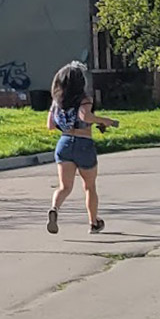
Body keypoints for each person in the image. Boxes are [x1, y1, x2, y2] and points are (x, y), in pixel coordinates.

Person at [45, 61, 118, 234]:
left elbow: (50, 125)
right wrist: (105, 121)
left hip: (64, 144)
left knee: (64, 187)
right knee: (89, 186)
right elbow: (84, 115)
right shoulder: (84, 99)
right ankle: (93, 223)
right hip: (83, 143)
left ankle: (54, 209)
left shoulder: (57, 102)